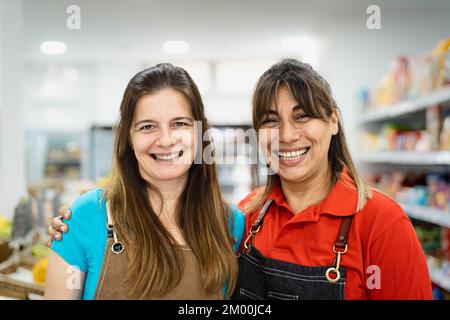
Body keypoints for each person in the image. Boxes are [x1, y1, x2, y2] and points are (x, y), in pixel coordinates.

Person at [49, 59, 433, 300]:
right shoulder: (249, 216)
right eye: (270, 120)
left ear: (333, 120)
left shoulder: (382, 224)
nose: (286, 134)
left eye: (302, 116)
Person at [44, 63, 244, 300]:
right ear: (129, 137)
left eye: (180, 123)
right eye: (147, 126)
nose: (166, 140)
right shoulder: (86, 216)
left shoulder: (230, 224)